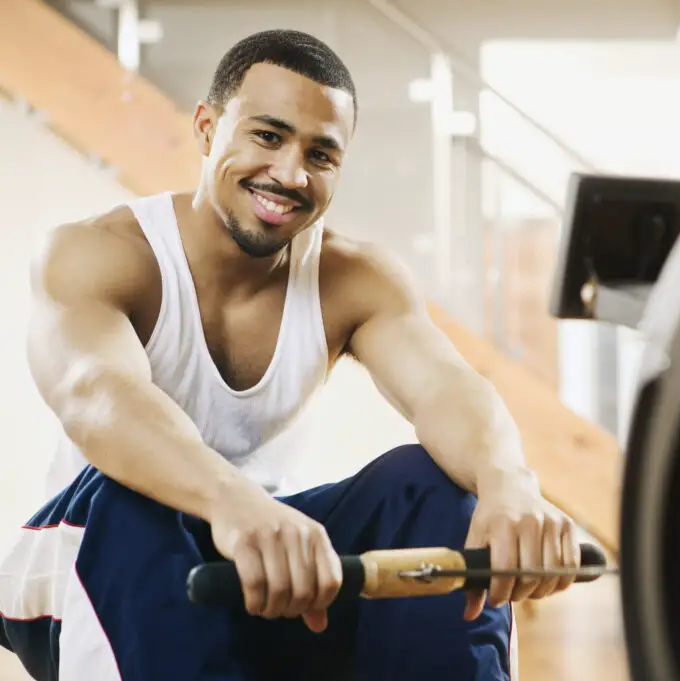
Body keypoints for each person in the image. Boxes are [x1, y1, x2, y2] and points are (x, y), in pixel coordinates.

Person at [0, 29, 581, 681]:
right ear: (206, 127)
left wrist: (510, 482)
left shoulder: (353, 277)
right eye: (268, 136)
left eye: (321, 154)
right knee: (131, 497)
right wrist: (229, 500)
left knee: (431, 487)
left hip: (253, 575)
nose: (291, 174)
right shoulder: (99, 254)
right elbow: (98, 398)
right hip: (86, 560)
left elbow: (445, 386)